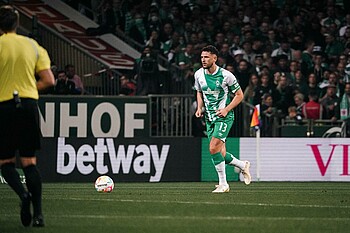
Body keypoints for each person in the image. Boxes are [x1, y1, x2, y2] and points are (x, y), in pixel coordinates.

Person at [0, 5, 55, 227]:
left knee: (5, 161)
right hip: (29, 104)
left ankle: (23, 195)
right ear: (17, 23)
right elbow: (50, 80)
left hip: (3, 104)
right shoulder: (33, 46)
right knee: (29, 162)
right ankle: (39, 215)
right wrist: (30, 89)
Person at [194, 45, 251, 193]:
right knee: (221, 153)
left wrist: (226, 109)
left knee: (213, 148)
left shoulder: (227, 75)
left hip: (224, 117)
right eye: (201, 57)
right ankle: (242, 165)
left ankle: (223, 184)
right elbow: (199, 92)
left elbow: (240, 95)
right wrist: (199, 108)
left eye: (206, 57)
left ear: (215, 58)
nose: (203, 60)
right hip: (210, 118)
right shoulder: (198, 74)